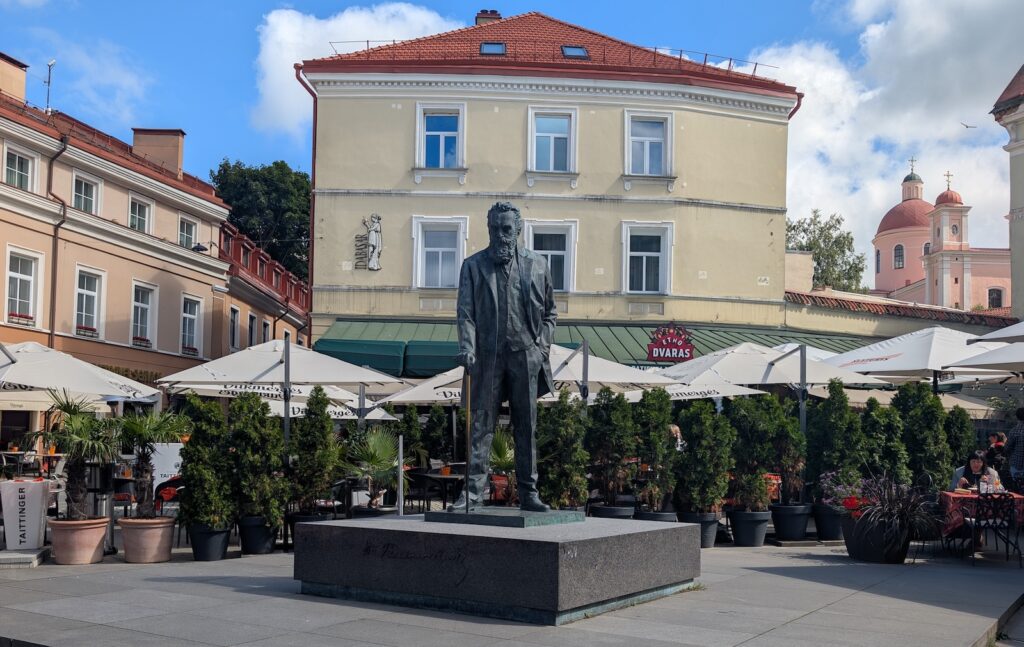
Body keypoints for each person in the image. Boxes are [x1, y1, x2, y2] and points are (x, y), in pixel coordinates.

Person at [452, 201, 557, 512]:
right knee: (482, 425)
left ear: (518, 230)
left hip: (526, 355)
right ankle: (472, 494)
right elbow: (465, 313)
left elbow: (551, 312)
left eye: (506, 229)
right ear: (488, 230)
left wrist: (542, 348)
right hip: (487, 357)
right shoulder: (473, 266)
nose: (500, 235)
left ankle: (529, 492)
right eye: (495, 229)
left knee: (527, 427)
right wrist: (468, 348)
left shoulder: (538, 265)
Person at [1004, 408, 1024, 490]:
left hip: (1016, 463)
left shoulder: (1015, 431)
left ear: (1017, 417)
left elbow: (1007, 448)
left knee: (1017, 488)